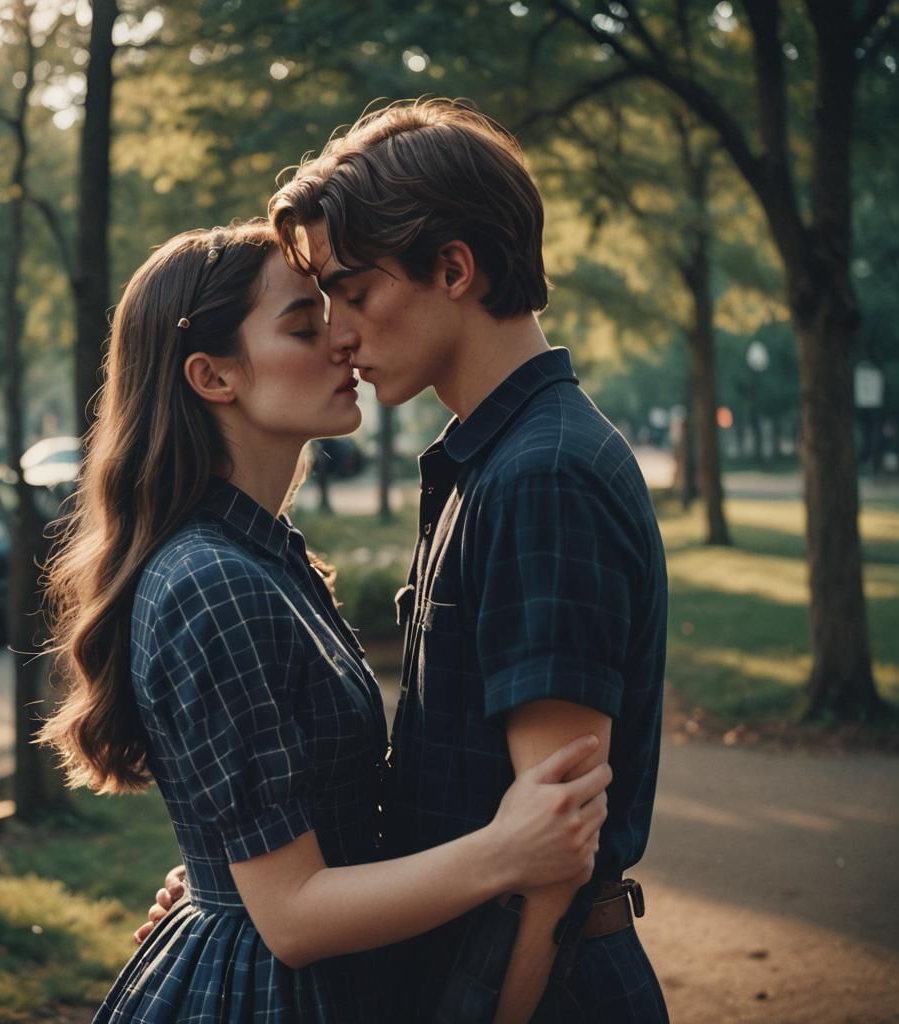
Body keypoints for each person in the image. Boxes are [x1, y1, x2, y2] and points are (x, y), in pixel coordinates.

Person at [39, 221, 612, 1023]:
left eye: (337, 313)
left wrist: (221, 872)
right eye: (305, 326)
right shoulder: (213, 579)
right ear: (212, 376)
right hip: (272, 992)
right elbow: (295, 918)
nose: (343, 341)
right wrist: (505, 853)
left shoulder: (264, 556)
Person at [263, 99, 670, 1022]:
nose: (336, 334)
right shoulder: (496, 457)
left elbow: (555, 856)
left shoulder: (544, 475)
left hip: (538, 992)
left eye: (354, 293)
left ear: (454, 268)